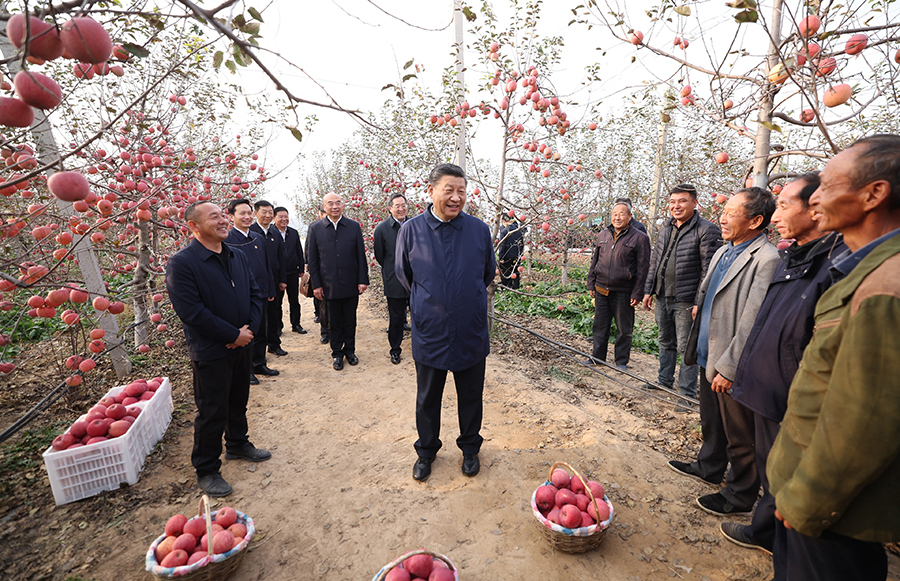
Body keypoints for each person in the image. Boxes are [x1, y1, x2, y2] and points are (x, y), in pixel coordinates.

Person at [767, 134, 900, 581]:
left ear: (873, 194)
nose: (814, 196)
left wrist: (807, 500)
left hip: (827, 510)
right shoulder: (864, 268)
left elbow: (863, 421)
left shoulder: (888, 287)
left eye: (825, 185)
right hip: (808, 495)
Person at [719, 173, 846, 555]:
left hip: (791, 391)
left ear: (817, 209)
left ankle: (777, 539)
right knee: (771, 465)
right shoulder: (793, 256)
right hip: (765, 382)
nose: (776, 215)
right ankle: (766, 532)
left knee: (785, 470)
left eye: (786, 205)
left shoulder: (833, 264)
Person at [668, 187, 779, 517]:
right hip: (707, 350)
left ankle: (740, 493)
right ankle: (709, 466)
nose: (723, 218)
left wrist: (729, 367)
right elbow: (712, 290)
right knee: (712, 419)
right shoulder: (724, 250)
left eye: (731, 213)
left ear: (756, 220)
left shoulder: (766, 259)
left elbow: (751, 319)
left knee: (740, 433)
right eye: (724, 211)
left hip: (730, 359)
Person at [396, 163, 496, 482]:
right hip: (431, 332)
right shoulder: (411, 230)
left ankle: (469, 449)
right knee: (427, 398)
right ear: (431, 191)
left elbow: (487, 273)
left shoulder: (479, 230)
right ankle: (426, 452)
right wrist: (432, 302)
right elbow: (404, 275)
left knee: (471, 396)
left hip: (469, 329)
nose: (456, 197)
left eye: (461, 191)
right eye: (449, 190)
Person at [166, 201, 271, 498]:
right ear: (194, 226)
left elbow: (254, 292)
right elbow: (192, 312)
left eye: (223, 216)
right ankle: (207, 468)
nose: (224, 221)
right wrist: (231, 334)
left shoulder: (236, 255)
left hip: (241, 343)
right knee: (212, 409)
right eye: (215, 217)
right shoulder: (183, 263)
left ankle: (238, 443)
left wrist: (248, 330)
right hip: (211, 349)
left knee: (239, 397)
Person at [642, 185, 722, 400]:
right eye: (672, 202)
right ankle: (664, 381)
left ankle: (686, 392)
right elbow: (655, 262)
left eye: (682, 201)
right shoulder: (665, 228)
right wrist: (649, 290)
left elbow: (708, 270)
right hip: (662, 295)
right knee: (665, 341)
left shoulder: (706, 229)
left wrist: (699, 301)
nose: (676, 206)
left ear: (695, 203)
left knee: (687, 347)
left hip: (686, 299)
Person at [306, 193, 369, 370]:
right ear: (324, 207)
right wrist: (316, 285)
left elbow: (360, 255)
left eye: (338, 203)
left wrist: (362, 280)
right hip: (328, 284)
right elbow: (312, 260)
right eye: (330, 203)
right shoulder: (315, 228)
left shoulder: (353, 226)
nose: (335, 206)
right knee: (333, 321)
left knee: (350, 319)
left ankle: (350, 351)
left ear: (343, 205)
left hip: (350, 282)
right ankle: (337, 354)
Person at [586, 200, 650, 370]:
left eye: (622, 214)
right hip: (601, 288)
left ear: (630, 216)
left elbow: (643, 268)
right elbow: (595, 260)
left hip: (624, 290)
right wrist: (591, 282)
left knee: (624, 328)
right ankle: (597, 357)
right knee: (600, 325)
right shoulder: (603, 234)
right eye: (614, 214)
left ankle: (621, 362)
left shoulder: (640, 238)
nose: (617, 217)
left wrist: (637, 293)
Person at [224, 198, 278, 385]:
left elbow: (266, 266)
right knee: (247, 331)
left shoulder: (258, 237)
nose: (247, 217)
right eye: (242, 213)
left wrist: (270, 288)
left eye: (249, 213)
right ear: (231, 217)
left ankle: (259, 363)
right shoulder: (228, 240)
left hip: (261, 293)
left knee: (261, 330)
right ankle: (245, 370)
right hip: (242, 296)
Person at [373, 193, 410, 365]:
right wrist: (392, 268)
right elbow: (380, 256)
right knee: (395, 319)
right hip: (394, 280)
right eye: (397, 205)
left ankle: (421, 348)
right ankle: (395, 350)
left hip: (416, 281)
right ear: (390, 208)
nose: (401, 208)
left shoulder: (415, 225)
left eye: (403, 205)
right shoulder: (382, 229)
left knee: (419, 316)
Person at [250, 200, 288, 357]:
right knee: (257, 318)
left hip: (273, 282)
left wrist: (282, 279)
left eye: (269, 212)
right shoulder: (250, 232)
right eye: (263, 212)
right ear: (256, 213)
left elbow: (282, 258)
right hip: (255, 284)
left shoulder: (274, 233)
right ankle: (257, 353)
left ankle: (274, 344)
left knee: (274, 314)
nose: (267, 215)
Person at [273, 206, 307, 335]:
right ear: (274, 218)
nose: (284, 219)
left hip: (292, 271)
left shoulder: (293, 232)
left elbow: (299, 250)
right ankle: (277, 327)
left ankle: (296, 324)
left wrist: (301, 268)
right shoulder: (271, 232)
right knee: (277, 302)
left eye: (285, 216)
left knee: (294, 300)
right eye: (280, 216)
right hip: (277, 273)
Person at [307, 206, 330, 345]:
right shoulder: (314, 228)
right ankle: (325, 331)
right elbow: (309, 249)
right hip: (320, 273)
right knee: (323, 305)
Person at [497, 214, 525, 289]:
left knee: (505, 273)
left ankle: (505, 287)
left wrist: (501, 257)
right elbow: (521, 244)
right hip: (516, 255)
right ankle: (516, 287)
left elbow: (502, 245)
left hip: (507, 256)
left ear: (503, 221)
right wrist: (520, 255)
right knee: (515, 271)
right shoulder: (518, 230)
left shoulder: (504, 231)